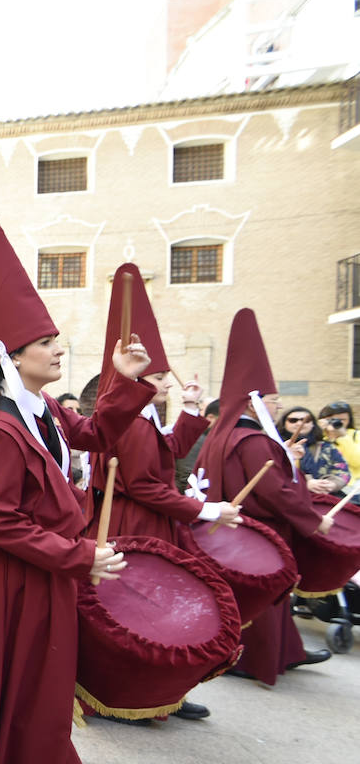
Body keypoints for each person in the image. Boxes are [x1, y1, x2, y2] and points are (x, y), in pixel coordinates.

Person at [0, 214, 154, 764]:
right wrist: (77, 554)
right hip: (18, 581)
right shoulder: (1, 429)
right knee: (28, 687)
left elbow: (93, 434)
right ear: (12, 357)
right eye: (46, 341)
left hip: (45, 574)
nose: (59, 348)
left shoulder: (44, 414)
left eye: (58, 339)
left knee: (39, 686)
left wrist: (121, 376)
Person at [82, 263, 240, 723]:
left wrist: (190, 408)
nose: (167, 383)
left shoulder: (142, 418)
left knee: (149, 613)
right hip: (134, 526)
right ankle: (126, 692)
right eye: (159, 377)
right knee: (135, 616)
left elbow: (168, 452)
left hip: (147, 524)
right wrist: (206, 509)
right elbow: (145, 484)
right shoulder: (129, 420)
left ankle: (156, 690)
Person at [199, 309, 332, 686]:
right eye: (272, 399)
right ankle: (257, 659)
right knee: (264, 601)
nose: (276, 406)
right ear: (254, 403)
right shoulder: (254, 440)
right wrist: (313, 517)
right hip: (258, 533)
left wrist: (285, 460)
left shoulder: (221, 436)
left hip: (228, 531)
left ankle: (287, 652)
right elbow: (274, 491)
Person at [279, 406, 350, 497]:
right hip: (289, 497)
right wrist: (304, 483)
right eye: (293, 420)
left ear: (313, 424)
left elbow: (342, 470)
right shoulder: (274, 445)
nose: (299, 423)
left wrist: (331, 484)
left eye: (306, 420)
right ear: (284, 423)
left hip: (325, 496)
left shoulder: (327, 447)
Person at [319, 401, 360, 491]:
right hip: (321, 484)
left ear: (349, 420)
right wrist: (318, 431)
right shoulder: (318, 436)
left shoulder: (356, 435)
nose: (336, 422)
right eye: (331, 419)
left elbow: (357, 462)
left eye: (342, 420)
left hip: (351, 485)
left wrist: (343, 437)